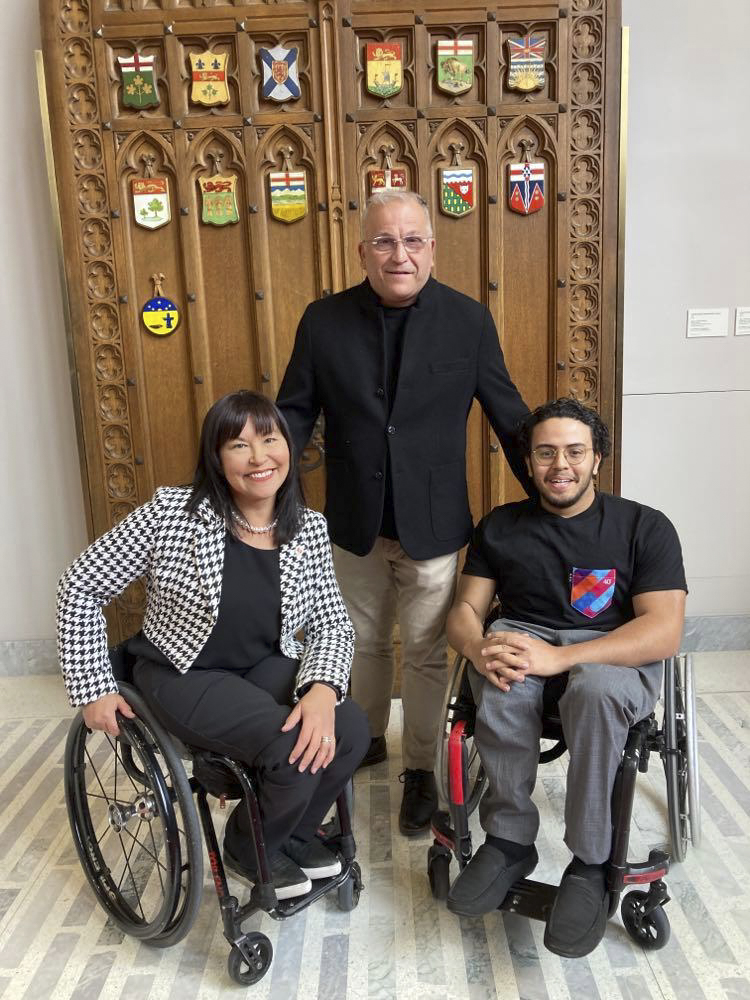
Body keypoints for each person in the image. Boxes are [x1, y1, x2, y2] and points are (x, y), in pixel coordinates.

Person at [277, 189, 530, 835]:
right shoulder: (322, 320)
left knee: (423, 652)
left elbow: (506, 411)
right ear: (363, 250)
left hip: (435, 525)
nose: (399, 253)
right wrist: (263, 489)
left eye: (412, 240)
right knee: (357, 643)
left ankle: (419, 770)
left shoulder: (468, 320)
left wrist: (556, 493)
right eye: (385, 241)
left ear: (431, 248)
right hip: (352, 520)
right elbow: (295, 412)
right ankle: (363, 740)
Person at [57, 390, 369, 901]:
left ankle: (286, 835)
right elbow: (80, 584)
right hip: (183, 672)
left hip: (262, 666)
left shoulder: (306, 528)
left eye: (269, 439)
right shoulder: (172, 513)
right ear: (217, 458)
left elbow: (332, 621)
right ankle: (250, 846)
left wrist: (321, 690)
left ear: (287, 448)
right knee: (291, 750)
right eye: (239, 445)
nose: (259, 457)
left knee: (350, 730)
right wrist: (93, 687)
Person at [445, 397, 686, 957]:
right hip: (525, 637)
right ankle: (508, 842)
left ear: (597, 458)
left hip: (611, 653)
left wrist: (562, 659)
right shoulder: (501, 526)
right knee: (506, 664)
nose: (561, 465)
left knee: (596, 690)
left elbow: (664, 630)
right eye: (546, 453)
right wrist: (479, 648)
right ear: (528, 462)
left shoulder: (643, 527)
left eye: (575, 452)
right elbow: (464, 610)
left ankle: (591, 860)